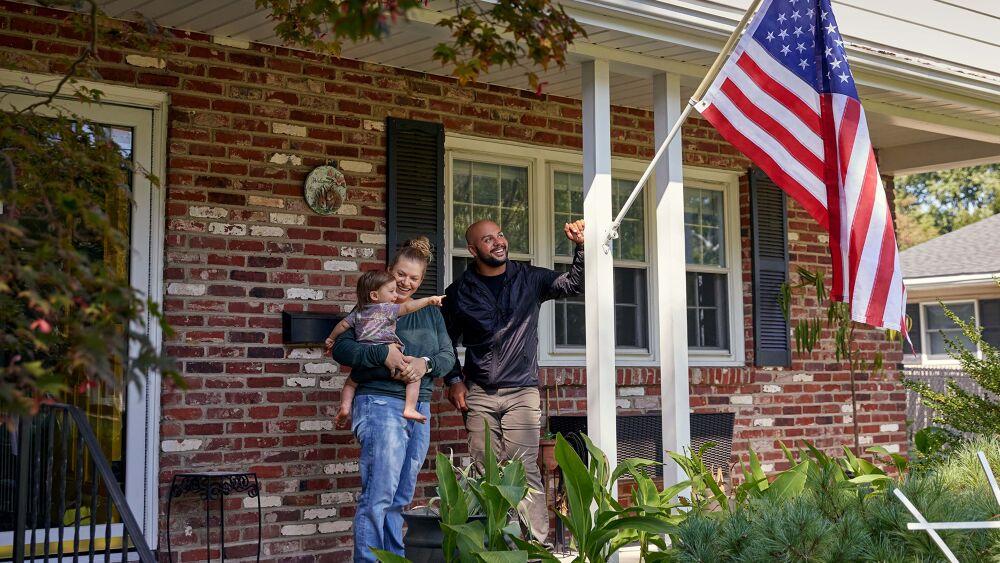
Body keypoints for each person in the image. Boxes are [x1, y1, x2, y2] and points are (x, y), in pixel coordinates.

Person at [442, 219, 585, 544]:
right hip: (478, 393)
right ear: (474, 249)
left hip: (521, 391)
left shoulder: (529, 278)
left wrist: (581, 248)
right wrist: (453, 379)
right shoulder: (460, 292)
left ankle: (535, 545)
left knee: (523, 468)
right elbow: (443, 339)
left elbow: (574, 284)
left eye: (501, 235)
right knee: (487, 471)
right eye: (488, 239)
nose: (498, 242)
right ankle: (500, 542)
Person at [330, 237, 456, 562]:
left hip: (419, 408)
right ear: (389, 271)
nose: (405, 283)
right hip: (379, 406)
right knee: (379, 495)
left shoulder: (430, 315)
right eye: (400, 274)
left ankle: (393, 558)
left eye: (413, 278)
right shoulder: (371, 309)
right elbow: (342, 349)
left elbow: (447, 357)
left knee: (400, 497)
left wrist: (423, 364)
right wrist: (381, 354)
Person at [325, 270, 445, 425]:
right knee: (414, 378)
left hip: (366, 364)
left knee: (350, 383)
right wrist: (428, 300)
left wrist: (330, 338)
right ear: (375, 296)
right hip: (390, 362)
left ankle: (345, 407)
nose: (395, 295)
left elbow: (342, 325)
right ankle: (409, 408)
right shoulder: (387, 310)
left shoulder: (358, 313)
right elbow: (408, 308)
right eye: (391, 291)